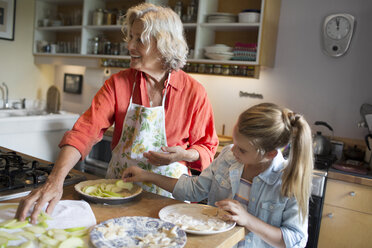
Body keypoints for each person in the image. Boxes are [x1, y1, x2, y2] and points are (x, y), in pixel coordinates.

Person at [16, 3, 218, 223]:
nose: (129, 45)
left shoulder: (194, 92)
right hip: (119, 194)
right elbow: (84, 132)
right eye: (130, 37)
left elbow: (206, 147)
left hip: (170, 201)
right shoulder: (118, 83)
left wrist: (185, 154)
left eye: (139, 39)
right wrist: (54, 181)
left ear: (163, 44)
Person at [122, 103, 313, 248]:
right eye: (234, 141)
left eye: (242, 150)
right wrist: (147, 175)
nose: (233, 151)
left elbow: (295, 239)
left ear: (270, 153)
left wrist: (247, 220)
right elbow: (194, 190)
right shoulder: (230, 156)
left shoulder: (290, 180)